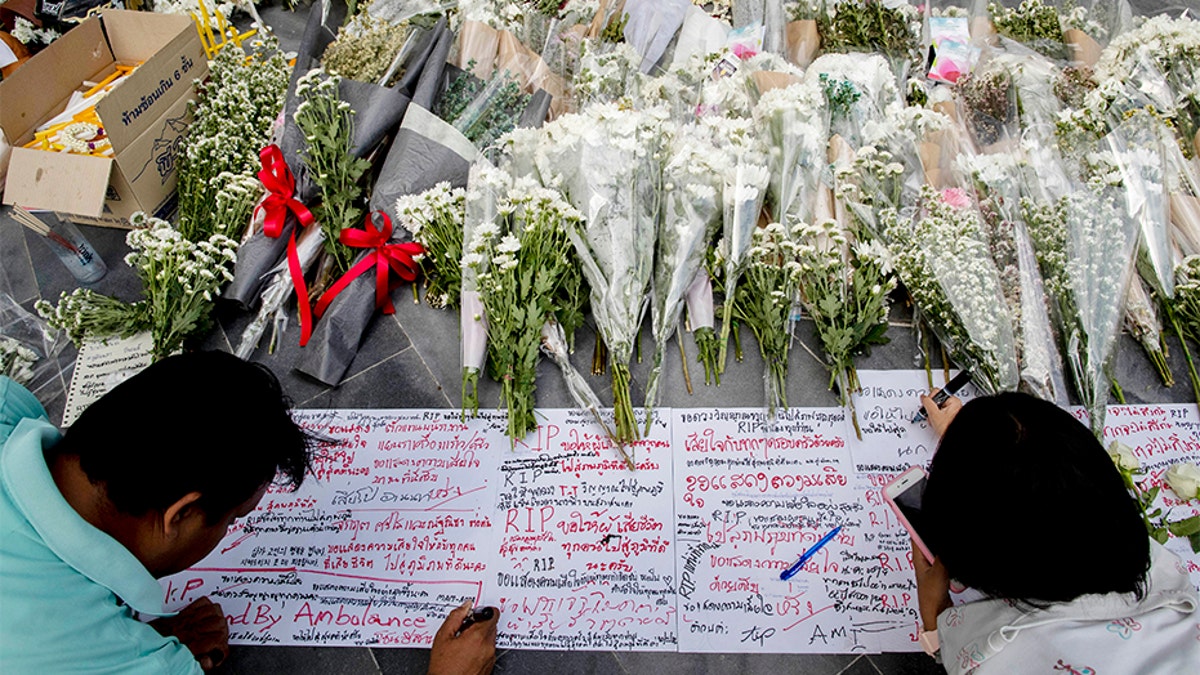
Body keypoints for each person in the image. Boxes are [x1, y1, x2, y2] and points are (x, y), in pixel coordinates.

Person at [0, 351, 497, 674]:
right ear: (182, 514)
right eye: (236, 518)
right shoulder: (106, 661)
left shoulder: (8, 408)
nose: (236, 530)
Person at [911, 390, 1199, 674]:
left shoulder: (1000, 660)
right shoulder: (1160, 572)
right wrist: (975, 448)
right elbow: (1052, 487)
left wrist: (936, 629)